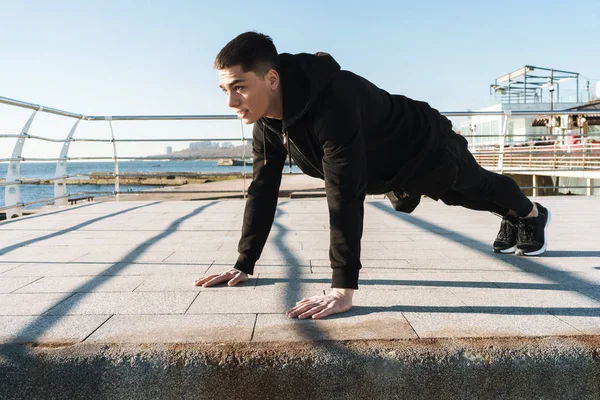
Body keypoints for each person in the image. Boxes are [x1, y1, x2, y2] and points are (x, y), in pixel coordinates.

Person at [194, 32, 551, 320]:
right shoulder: (268, 125)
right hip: (387, 168)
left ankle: (530, 213)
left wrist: (342, 287)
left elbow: (344, 192)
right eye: (224, 90)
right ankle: (514, 213)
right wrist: (244, 263)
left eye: (239, 87)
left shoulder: (332, 102)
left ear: (271, 78)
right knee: (463, 195)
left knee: (471, 189)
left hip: (424, 145)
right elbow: (262, 189)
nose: (230, 102)